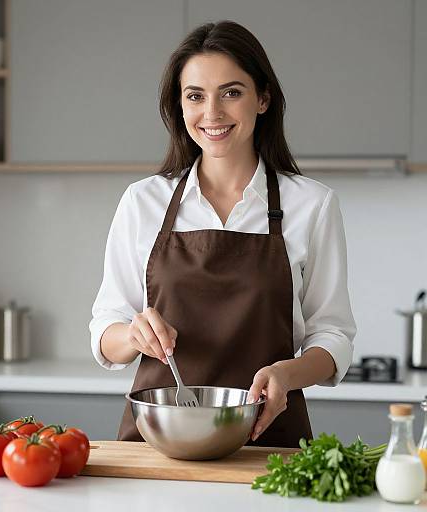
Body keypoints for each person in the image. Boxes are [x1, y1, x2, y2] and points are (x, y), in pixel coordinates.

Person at [89, 20, 356, 447]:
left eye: (231, 92)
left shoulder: (312, 205)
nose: (212, 114)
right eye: (195, 96)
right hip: (159, 443)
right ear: (179, 107)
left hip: (269, 444)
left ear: (263, 98)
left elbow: (333, 336)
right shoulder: (143, 202)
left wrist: (288, 374)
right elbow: (106, 329)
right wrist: (131, 334)